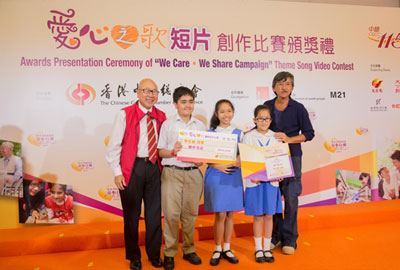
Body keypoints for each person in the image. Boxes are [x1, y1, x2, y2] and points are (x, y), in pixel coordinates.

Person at [106, 78, 166, 270]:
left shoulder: (162, 116)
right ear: (138, 93)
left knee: (154, 215)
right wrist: (117, 172)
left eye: (154, 92)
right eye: (146, 91)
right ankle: (134, 256)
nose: (150, 95)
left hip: (155, 168)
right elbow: (114, 145)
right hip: (132, 169)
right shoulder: (125, 114)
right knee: (131, 216)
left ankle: (154, 254)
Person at [264, 71, 315, 255]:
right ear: (273, 87)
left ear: (292, 88)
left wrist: (289, 139)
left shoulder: (298, 108)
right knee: (274, 198)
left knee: (291, 199)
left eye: (287, 84)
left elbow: (309, 134)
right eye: (280, 84)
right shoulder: (267, 106)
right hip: (271, 158)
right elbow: (261, 127)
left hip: (292, 158)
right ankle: (275, 237)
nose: (284, 87)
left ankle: (290, 239)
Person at [157, 86, 205, 270]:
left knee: (190, 215)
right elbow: (160, 152)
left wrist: (201, 159)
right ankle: (169, 252)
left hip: (193, 173)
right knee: (170, 215)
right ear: (175, 104)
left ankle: (189, 249)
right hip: (172, 172)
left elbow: (204, 150)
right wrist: (172, 151)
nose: (187, 105)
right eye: (183, 102)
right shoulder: (168, 124)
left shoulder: (199, 125)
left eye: (191, 101)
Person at [203, 99, 244, 266]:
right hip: (216, 174)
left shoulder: (240, 133)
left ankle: (227, 248)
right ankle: (217, 248)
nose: (226, 114)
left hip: (233, 175)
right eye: (222, 111)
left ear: (233, 112)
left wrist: (239, 160)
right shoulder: (210, 133)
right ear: (216, 114)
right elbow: (204, 156)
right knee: (220, 214)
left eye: (229, 111)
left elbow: (245, 154)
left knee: (230, 214)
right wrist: (218, 165)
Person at [242, 105, 283, 263]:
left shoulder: (276, 137)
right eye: (260, 118)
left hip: (271, 182)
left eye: (266, 119)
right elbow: (246, 160)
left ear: (271, 120)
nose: (263, 121)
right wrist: (253, 174)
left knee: (269, 216)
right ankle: (258, 248)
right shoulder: (249, 137)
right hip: (255, 182)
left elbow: (280, 161)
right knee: (258, 216)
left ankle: (267, 248)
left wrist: (280, 174)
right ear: (255, 120)